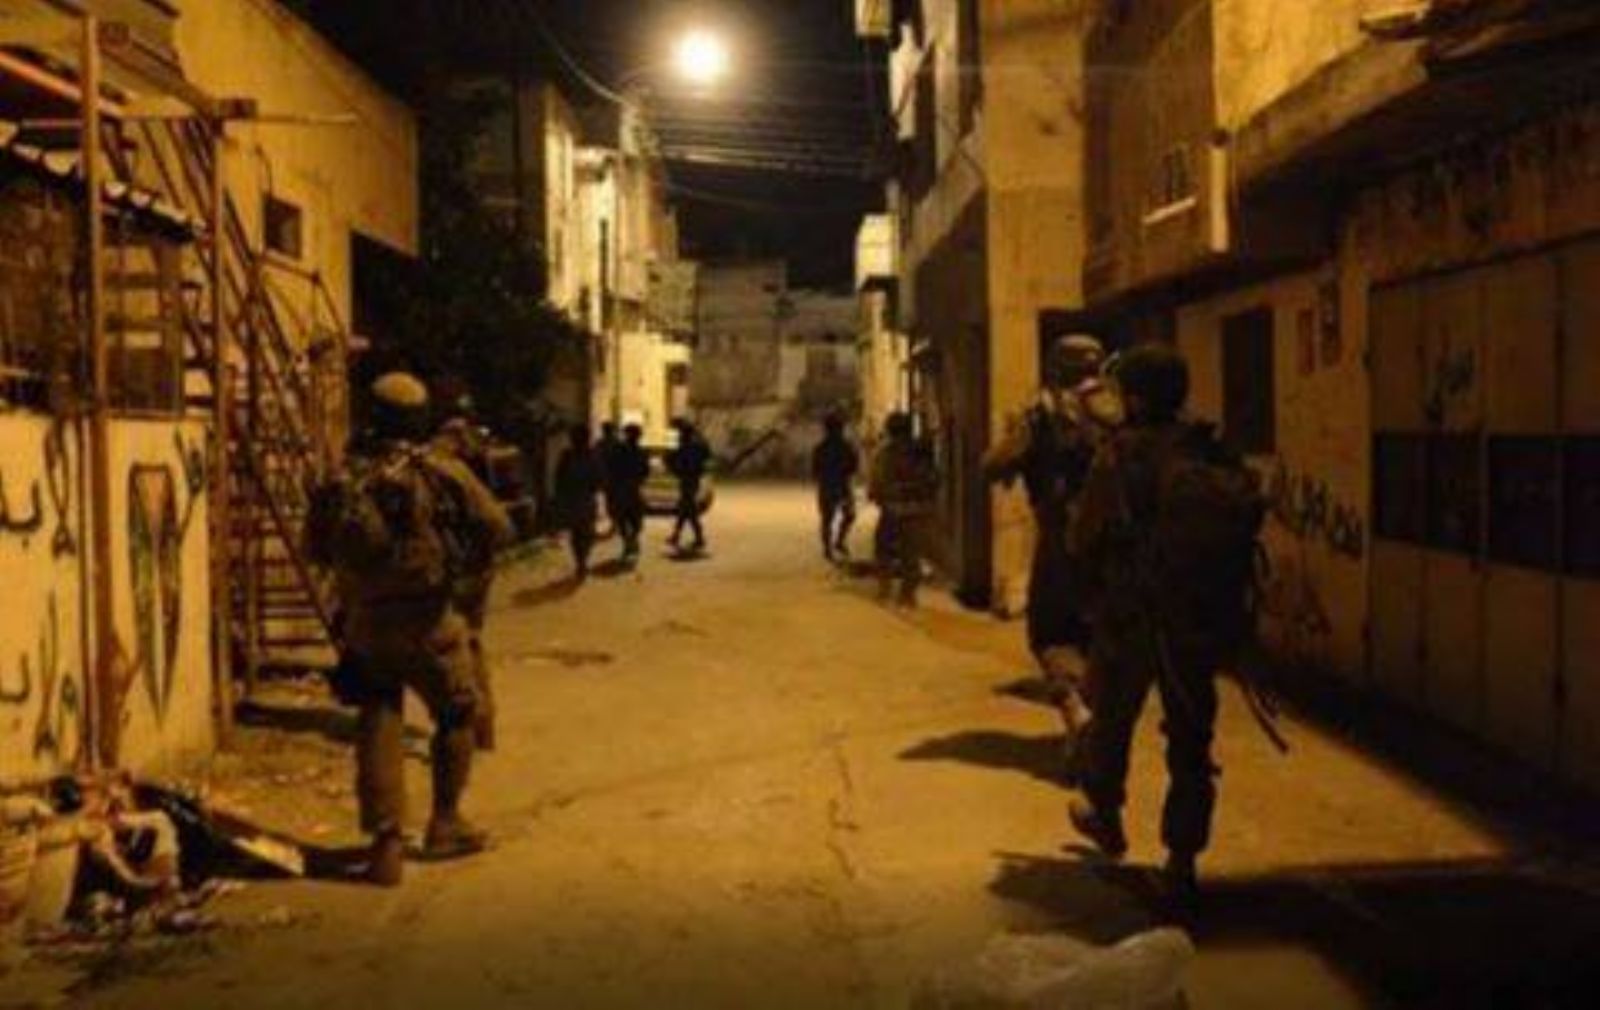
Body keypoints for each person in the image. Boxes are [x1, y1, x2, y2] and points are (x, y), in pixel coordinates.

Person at [1066, 343, 1264, 899]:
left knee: (1111, 720)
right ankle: (1182, 859)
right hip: (1194, 617)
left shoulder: (1120, 455)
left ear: (1133, 396)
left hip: (1132, 614)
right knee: (1191, 737)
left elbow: (1082, 536)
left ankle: (1105, 813)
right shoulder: (1208, 448)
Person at [306, 372, 515, 887]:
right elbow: (498, 528)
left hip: (366, 621)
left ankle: (385, 844)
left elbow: (316, 548)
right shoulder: (437, 470)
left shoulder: (343, 477)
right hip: (429, 619)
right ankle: (446, 822)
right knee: (457, 713)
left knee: (380, 713)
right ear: (418, 418)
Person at [984, 335, 1122, 764]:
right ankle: (1096, 735)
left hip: (1063, 545)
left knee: (1052, 635)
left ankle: (1077, 714)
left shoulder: (1044, 413)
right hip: (1121, 550)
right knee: (1104, 638)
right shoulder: (1124, 408)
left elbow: (993, 465)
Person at [434, 403, 501, 753]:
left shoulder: (446, 469)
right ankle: (481, 727)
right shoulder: (469, 466)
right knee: (470, 644)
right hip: (470, 567)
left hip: (455, 569)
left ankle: (472, 724)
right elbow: (498, 525)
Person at [868, 411, 938, 607]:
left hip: (892, 510)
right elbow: (934, 479)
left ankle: (885, 589)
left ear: (889, 430)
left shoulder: (884, 453)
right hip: (917, 511)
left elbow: (876, 483)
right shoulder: (921, 452)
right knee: (911, 554)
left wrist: (879, 497)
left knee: (883, 550)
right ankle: (908, 595)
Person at [554, 423, 603, 578]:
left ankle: (582, 560)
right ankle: (581, 561)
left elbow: (599, 477)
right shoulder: (569, 455)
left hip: (582, 497)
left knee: (584, 533)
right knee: (580, 532)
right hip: (577, 498)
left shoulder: (590, 455)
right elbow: (559, 477)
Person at [812, 412, 861, 561]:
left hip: (828, 486)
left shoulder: (821, 448)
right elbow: (854, 467)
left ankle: (829, 547)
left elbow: (815, 470)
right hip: (842, 486)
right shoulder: (846, 446)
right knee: (849, 515)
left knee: (828, 519)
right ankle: (838, 541)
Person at [666, 419, 711, 553]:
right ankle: (679, 535)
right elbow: (707, 456)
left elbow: (672, 459)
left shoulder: (685, 446)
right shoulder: (698, 444)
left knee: (688, 509)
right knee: (685, 509)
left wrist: (674, 467)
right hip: (693, 478)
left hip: (687, 479)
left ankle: (697, 537)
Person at [611, 423, 651, 560]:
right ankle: (630, 541)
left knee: (627, 519)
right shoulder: (638, 452)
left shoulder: (624, 451)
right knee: (630, 519)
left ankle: (629, 541)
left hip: (626, 488)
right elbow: (645, 471)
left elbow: (645, 471)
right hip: (629, 488)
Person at [596, 421, 625, 535]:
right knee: (612, 501)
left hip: (611, 477)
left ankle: (615, 524)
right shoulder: (615, 444)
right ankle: (615, 524)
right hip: (612, 477)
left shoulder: (602, 444)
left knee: (612, 501)